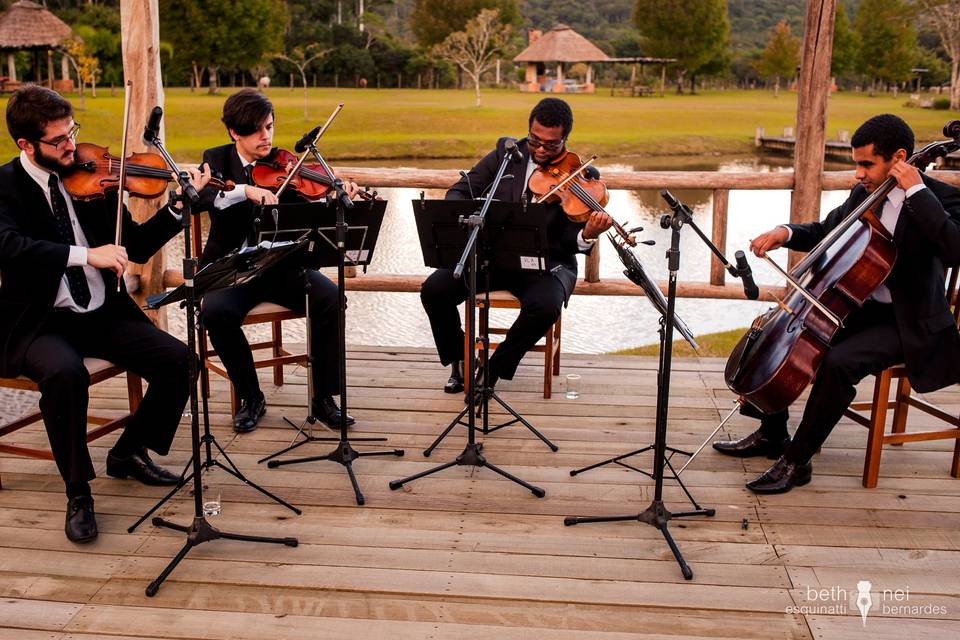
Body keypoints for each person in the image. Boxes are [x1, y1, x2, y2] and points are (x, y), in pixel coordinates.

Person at [0, 85, 208, 542]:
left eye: (71, 133)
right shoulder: (5, 187)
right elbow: (10, 247)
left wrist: (176, 209)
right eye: (58, 141)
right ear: (26, 145)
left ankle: (128, 453)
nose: (71, 147)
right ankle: (79, 492)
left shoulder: (91, 179)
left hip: (99, 310)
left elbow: (132, 247)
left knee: (181, 362)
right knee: (65, 375)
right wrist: (84, 255)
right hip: (40, 321)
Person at [713, 113, 960, 493]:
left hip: (908, 321)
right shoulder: (865, 194)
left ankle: (797, 461)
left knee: (839, 362)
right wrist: (786, 232)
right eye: (856, 164)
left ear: (899, 157)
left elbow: (955, 247)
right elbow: (828, 230)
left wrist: (917, 193)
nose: (858, 174)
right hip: (862, 307)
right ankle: (772, 433)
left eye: (866, 164)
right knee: (785, 338)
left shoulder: (941, 198)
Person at [421, 98, 613, 394]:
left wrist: (586, 234)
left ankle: (495, 368)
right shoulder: (506, 154)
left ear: (565, 140)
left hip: (544, 265)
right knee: (434, 290)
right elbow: (460, 191)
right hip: (492, 256)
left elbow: (567, 240)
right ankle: (461, 360)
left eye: (550, 145)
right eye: (535, 140)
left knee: (546, 305)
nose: (539, 150)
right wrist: (472, 215)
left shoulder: (580, 178)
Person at [197, 89, 360, 433]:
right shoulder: (216, 159)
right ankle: (251, 396)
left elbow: (312, 208)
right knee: (214, 312)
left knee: (331, 299)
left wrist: (338, 193)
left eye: (269, 126)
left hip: (280, 266)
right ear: (234, 133)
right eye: (256, 130)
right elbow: (205, 197)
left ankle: (323, 397)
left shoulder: (287, 165)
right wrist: (245, 190)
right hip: (233, 269)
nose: (266, 136)